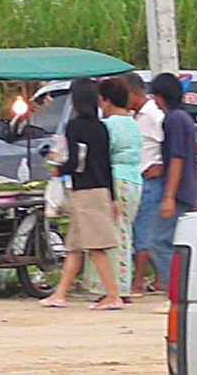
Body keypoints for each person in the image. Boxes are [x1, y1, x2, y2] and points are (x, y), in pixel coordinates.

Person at [39, 78, 123, 310]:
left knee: (96, 247)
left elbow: (75, 161)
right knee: (74, 247)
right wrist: (113, 197)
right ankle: (60, 293)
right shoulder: (101, 127)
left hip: (85, 192)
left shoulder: (75, 126)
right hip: (100, 190)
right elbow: (107, 164)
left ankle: (113, 295)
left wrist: (59, 168)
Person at [84, 78, 142, 302]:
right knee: (125, 232)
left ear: (106, 100)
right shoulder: (132, 123)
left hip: (115, 179)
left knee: (109, 235)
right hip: (134, 180)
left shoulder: (108, 126)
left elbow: (101, 156)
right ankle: (123, 284)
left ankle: (111, 288)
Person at [150, 73, 197, 291]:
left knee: (159, 241)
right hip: (185, 188)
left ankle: (175, 290)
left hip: (177, 192)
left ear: (160, 96)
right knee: (171, 241)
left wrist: (168, 196)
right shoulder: (184, 117)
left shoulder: (174, 119)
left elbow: (178, 158)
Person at [124, 72, 166, 296]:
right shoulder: (135, 117)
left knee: (144, 232)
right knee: (142, 230)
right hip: (140, 179)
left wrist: (162, 165)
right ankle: (158, 278)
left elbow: (170, 143)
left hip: (151, 180)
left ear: (133, 94)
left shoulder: (153, 116)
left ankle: (138, 282)